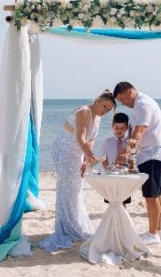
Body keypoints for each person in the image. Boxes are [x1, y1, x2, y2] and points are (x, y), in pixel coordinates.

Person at [38, 90, 116, 252]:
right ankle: (66, 227)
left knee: (76, 189)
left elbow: (91, 139)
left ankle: (74, 224)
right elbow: (80, 137)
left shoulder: (98, 118)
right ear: (98, 100)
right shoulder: (84, 112)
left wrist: (86, 161)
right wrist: (89, 154)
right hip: (65, 150)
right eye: (104, 106)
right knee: (67, 189)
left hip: (79, 152)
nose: (105, 111)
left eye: (109, 110)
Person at [113, 81, 161, 246]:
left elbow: (139, 133)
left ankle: (153, 234)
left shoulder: (142, 104)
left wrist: (127, 153)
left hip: (152, 155)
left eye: (122, 99)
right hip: (154, 155)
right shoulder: (142, 103)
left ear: (128, 92)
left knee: (151, 197)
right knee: (157, 195)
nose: (123, 103)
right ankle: (157, 231)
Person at [100, 112, 132, 207]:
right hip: (111, 175)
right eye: (117, 128)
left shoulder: (129, 143)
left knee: (124, 202)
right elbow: (103, 158)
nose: (119, 131)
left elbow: (132, 157)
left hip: (124, 176)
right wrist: (108, 170)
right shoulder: (107, 142)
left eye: (122, 128)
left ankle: (122, 220)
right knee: (112, 202)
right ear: (112, 126)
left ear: (126, 128)